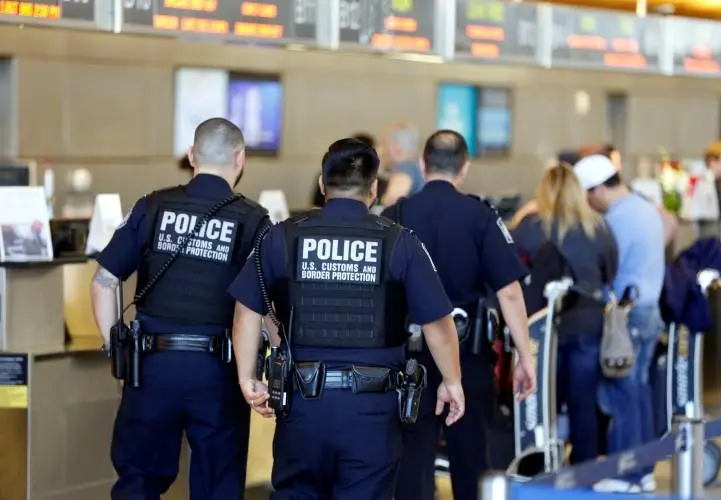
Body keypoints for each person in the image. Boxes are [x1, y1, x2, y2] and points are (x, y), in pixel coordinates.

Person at [229, 137, 466, 500]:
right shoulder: (400, 243)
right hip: (371, 412)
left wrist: (247, 378)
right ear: (374, 189)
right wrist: (451, 380)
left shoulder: (282, 237)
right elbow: (437, 322)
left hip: (301, 406)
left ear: (323, 185)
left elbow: (247, 309)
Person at [90, 118, 270, 500]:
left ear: (191, 155)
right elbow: (257, 307)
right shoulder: (254, 220)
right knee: (218, 485)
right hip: (217, 374)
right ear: (240, 159)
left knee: (137, 483)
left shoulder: (152, 205)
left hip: (151, 367)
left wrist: (118, 356)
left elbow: (104, 281)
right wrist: (250, 373)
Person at [384, 130, 536, 500]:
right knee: (470, 460)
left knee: (412, 461)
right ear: (464, 168)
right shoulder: (481, 215)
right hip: (468, 358)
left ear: (423, 164)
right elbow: (511, 293)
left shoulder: (395, 215)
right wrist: (525, 356)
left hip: (408, 360)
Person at [511, 163, 618, 466]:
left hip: (545, 327)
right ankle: (583, 470)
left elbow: (512, 269)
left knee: (545, 400)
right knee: (583, 403)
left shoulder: (532, 227)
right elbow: (611, 272)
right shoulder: (599, 226)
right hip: (588, 321)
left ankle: (544, 463)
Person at [573, 154, 665, 493]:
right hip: (649, 310)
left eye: (587, 195)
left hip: (627, 316)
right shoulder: (644, 208)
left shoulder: (617, 219)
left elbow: (608, 268)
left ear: (598, 189)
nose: (587, 203)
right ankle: (642, 470)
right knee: (639, 390)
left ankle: (624, 473)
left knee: (620, 390)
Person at [310, 133, 389, 208]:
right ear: (373, 187)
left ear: (322, 183)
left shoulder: (329, 174)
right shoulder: (382, 184)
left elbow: (316, 206)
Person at [379, 122, 426, 206]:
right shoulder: (417, 166)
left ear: (397, 148)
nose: (381, 150)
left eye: (384, 144)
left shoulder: (405, 168)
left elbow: (393, 200)